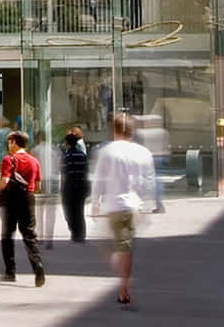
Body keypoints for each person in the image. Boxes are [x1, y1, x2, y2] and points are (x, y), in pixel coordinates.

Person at [91, 114, 156, 307]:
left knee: (106, 243)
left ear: (115, 130)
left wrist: (95, 202)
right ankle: (123, 281)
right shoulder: (143, 152)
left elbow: (99, 179)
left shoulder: (107, 151)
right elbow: (149, 180)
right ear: (132, 131)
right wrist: (148, 203)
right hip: (132, 205)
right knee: (125, 248)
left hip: (112, 206)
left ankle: (123, 287)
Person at [0, 131, 45, 287]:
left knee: (7, 235)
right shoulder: (34, 161)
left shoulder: (9, 159)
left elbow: (5, 180)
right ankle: (38, 267)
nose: (8, 145)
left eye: (9, 142)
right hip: (28, 199)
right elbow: (37, 186)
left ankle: (10, 272)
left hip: (11, 200)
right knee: (29, 234)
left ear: (14, 142)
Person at [60, 131, 89, 243]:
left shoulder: (66, 156)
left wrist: (62, 189)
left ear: (67, 143)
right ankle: (81, 234)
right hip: (81, 186)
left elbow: (64, 175)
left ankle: (75, 233)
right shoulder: (82, 155)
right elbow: (86, 171)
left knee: (70, 210)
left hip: (70, 186)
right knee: (79, 210)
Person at [32, 130, 58, 249]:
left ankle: (40, 236)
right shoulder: (55, 150)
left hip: (40, 181)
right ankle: (49, 238)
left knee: (38, 211)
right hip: (52, 182)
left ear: (38, 138)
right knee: (51, 212)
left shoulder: (35, 150)